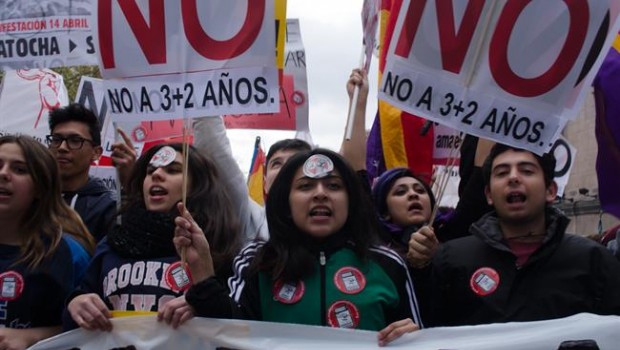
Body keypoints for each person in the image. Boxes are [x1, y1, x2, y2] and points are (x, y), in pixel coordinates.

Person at [160, 149, 422, 347]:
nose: (320, 194)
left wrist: (414, 338)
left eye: (333, 186)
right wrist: (204, 275)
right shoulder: (258, 261)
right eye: (305, 186)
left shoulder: (389, 264)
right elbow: (230, 335)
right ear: (286, 202)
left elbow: (422, 336)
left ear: (351, 200)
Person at [426, 144, 620, 326]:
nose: (513, 178)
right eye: (502, 172)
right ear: (489, 195)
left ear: (551, 191)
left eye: (526, 171)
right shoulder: (451, 260)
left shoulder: (593, 260)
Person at [65, 143, 242, 331]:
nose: (156, 175)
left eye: (173, 170)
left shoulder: (216, 244)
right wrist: (76, 304)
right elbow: (74, 319)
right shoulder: (113, 242)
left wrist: (204, 296)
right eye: (149, 171)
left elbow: (235, 328)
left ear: (197, 185)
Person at [0, 135, 93, 350]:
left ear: (41, 189)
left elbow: (93, 329)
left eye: (20, 170)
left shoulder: (68, 254)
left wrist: (29, 337)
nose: (4, 174)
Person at [47, 103, 117, 242]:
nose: (62, 147)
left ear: (96, 153)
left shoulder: (108, 209)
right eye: (56, 139)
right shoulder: (28, 198)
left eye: (75, 141)